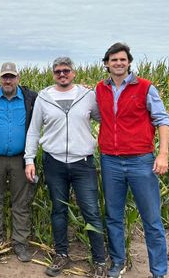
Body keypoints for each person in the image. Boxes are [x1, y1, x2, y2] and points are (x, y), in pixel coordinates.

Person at [24, 57, 107, 277]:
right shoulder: (44, 97)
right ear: (53, 74)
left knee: (91, 210)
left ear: (74, 73)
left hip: (83, 163)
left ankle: (99, 259)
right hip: (54, 163)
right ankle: (61, 254)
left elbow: (106, 120)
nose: (62, 74)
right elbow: (34, 130)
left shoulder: (88, 96)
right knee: (58, 210)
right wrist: (29, 159)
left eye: (66, 70)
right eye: (58, 71)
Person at [96, 43, 169, 278]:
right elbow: (96, 115)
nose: (118, 63)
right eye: (113, 60)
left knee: (151, 220)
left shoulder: (146, 88)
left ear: (129, 62)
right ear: (106, 63)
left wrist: (162, 154)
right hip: (110, 160)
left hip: (141, 160)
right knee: (113, 217)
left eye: (122, 59)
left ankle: (158, 271)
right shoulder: (100, 89)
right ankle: (118, 263)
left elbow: (163, 120)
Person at [0, 62, 38, 262]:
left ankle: (20, 243)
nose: (8, 80)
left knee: (21, 202)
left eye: (11, 76)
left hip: (21, 159)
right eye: (5, 77)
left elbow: (52, 107)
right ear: (0, 78)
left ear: (18, 77)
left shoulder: (30, 98)